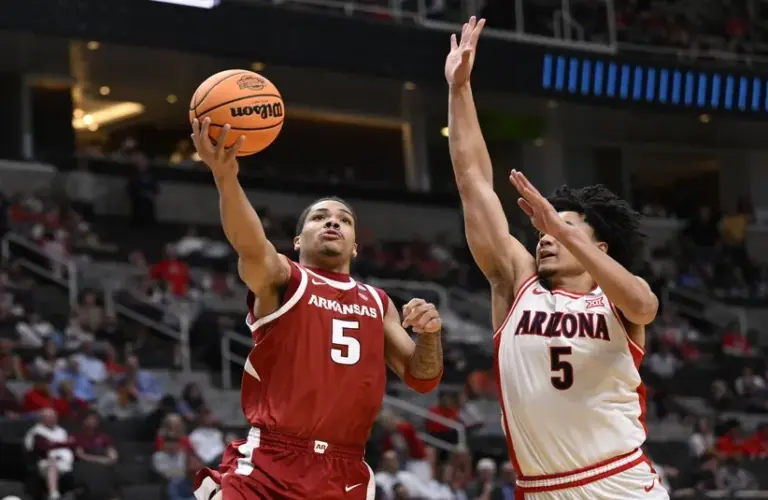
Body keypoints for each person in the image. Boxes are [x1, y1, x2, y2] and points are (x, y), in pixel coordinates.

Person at [446, 17, 667, 500]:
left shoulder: (618, 303)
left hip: (618, 484)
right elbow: (474, 183)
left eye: (564, 232)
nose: (545, 238)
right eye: (544, 231)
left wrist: (561, 227)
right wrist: (459, 90)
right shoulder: (517, 283)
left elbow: (645, 306)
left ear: (598, 248)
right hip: (538, 489)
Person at [189, 118, 444, 500]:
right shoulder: (284, 278)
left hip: (344, 470)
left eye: (344, 220)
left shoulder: (377, 302)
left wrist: (430, 334)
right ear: (297, 239)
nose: (332, 222)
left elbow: (422, 378)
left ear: (356, 245)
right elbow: (251, 245)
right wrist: (226, 180)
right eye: (320, 217)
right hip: (270, 463)